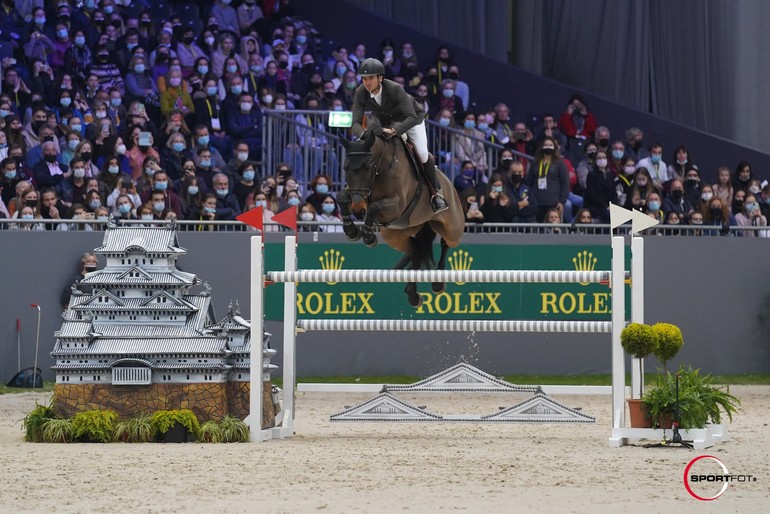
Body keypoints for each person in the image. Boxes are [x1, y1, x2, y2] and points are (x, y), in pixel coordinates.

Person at [351, 58, 448, 213]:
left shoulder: (394, 89)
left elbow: (410, 117)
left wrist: (395, 131)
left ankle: (436, 194)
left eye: (370, 78)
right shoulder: (360, 92)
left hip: (411, 119)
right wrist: (364, 134)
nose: (366, 82)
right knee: (362, 148)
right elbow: (355, 123)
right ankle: (358, 189)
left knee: (422, 154)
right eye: (363, 78)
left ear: (380, 78)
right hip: (385, 120)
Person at [524, 137, 569, 222]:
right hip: (537, 201)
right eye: (546, 145)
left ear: (555, 147)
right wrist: (527, 197)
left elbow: (565, 184)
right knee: (538, 229)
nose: (548, 147)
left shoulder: (560, 163)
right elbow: (528, 182)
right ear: (542, 147)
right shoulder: (535, 162)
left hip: (553, 201)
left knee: (552, 228)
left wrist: (562, 201)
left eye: (550, 145)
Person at [583, 151, 616, 223]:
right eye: (599, 158)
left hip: (610, 207)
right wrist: (605, 207)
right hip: (596, 208)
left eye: (604, 158)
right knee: (609, 216)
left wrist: (612, 206)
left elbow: (614, 193)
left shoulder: (610, 175)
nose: (602, 160)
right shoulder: (592, 175)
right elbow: (592, 195)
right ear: (595, 160)